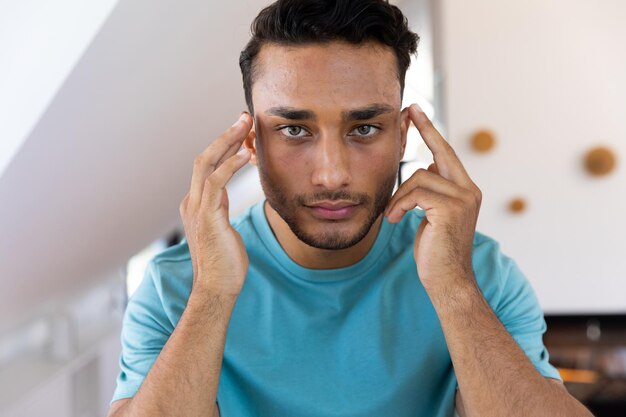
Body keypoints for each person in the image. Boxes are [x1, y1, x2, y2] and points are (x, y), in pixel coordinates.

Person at [107, 1, 594, 416]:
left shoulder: (479, 272)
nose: (332, 174)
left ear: (404, 135)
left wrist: (454, 290)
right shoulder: (178, 285)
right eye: (294, 130)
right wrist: (212, 294)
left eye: (364, 128)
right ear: (252, 139)